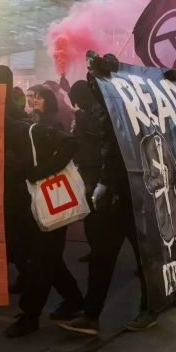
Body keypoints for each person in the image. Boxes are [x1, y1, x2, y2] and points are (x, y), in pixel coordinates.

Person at [0, 66, 84, 338]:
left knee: (41, 260)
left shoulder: (25, 127)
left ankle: (31, 315)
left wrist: (42, 171)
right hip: (29, 203)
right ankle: (73, 300)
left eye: (37, 97)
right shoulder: (15, 123)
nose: (33, 101)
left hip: (45, 200)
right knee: (47, 259)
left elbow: (71, 144)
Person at [59, 53, 153, 336]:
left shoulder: (135, 108)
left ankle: (150, 307)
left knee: (146, 259)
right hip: (112, 199)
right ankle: (91, 315)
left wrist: (105, 181)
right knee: (102, 258)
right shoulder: (101, 111)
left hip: (137, 199)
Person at [69, 80, 104, 263]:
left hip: (95, 168)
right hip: (87, 166)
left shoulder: (96, 109)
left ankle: (99, 251)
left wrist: (79, 116)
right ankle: (96, 250)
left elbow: (95, 130)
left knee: (94, 213)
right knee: (91, 213)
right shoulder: (87, 111)